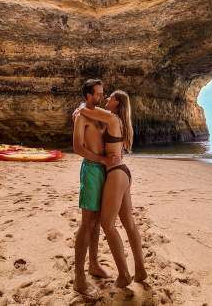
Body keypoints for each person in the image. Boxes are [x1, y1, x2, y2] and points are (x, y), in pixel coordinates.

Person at [76, 90, 147, 289]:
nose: (107, 99)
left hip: (115, 173)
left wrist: (78, 109)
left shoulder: (111, 117)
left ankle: (124, 275)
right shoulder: (118, 121)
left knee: (107, 225)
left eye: (111, 98)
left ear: (117, 103)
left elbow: (86, 109)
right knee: (129, 223)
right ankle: (140, 270)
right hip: (124, 173)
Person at [72, 79, 122, 297]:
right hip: (92, 169)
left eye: (103, 94)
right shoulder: (81, 117)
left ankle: (93, 264)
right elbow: (77, 149)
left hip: (105, 171)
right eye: (98, 94)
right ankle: (79, 277)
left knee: (99, 218)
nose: (102, 97)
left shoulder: (99, 114)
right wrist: (101, 160)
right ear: (88, 95)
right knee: (87, 221)